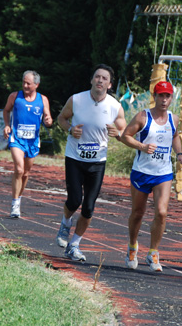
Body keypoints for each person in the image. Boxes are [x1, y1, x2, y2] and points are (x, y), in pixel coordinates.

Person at [56, 64, 127, 261]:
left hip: (97, 162)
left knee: (88, 207)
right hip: (74, 157)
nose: (100, 80)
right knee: (74, 200)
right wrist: (70, 129)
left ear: (110, 84)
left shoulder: (115, 107)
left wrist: (118, 133)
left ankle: (74, 245)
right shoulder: (77, 99)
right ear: (91, 80)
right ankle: (65, 222)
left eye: (104, 78)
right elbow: (61, 118)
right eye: (97, 77)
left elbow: (124, 133)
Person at [119, 81, 182, 272]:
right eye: (161, 96)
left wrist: (180, 154)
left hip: (163, 173)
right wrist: (142, 146)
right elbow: (126, 136)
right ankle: (132, 246)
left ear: (171, 98)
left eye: (168, 96)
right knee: (138, 212)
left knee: (162, 212)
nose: (164, 100)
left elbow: (174, 136)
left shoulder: (174, 119)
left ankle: (153, 252)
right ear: (155, 97)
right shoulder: (143, 116)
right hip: (142, 172)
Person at [3, 70, 53, 218]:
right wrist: (7, 125)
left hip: (33, 141)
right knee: (18, 169)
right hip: (17, 139)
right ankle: (15, 203)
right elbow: (6, 111)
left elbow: (48, 117)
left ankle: (19, 197)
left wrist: (48, 120)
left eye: (28, 83)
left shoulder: (42, 99)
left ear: (36, 84)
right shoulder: (14, 96)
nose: (25, 85)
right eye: (23, 82)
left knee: (25, 173)